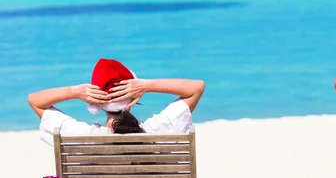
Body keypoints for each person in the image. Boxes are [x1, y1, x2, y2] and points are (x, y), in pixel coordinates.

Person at [28, 58, 205, 146]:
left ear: (96, 104)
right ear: (133, 100)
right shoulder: (161, 129)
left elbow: (35, 101)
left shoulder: (79, 136)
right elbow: (196, 87)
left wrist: (75, 91)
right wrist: (147, 85)